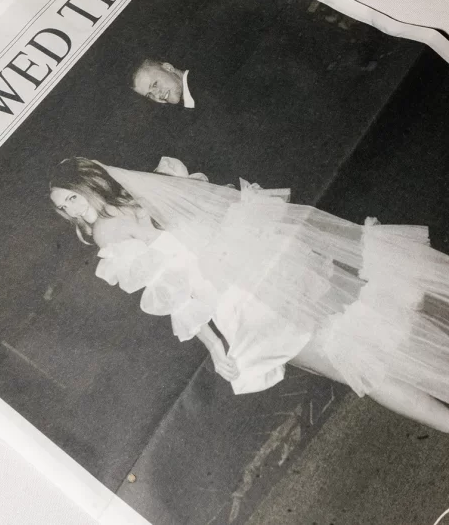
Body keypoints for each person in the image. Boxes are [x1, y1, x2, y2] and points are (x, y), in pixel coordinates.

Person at [49, 156, 449, 433]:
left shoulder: (107, 233)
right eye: (63, 208)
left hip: (246, 305)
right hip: (273, 272)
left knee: (363, 369)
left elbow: (175, 294)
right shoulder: (148, 195)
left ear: (89, 184)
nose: (71, 211)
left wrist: (214, 346)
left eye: (71, 197)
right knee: (373, 339)